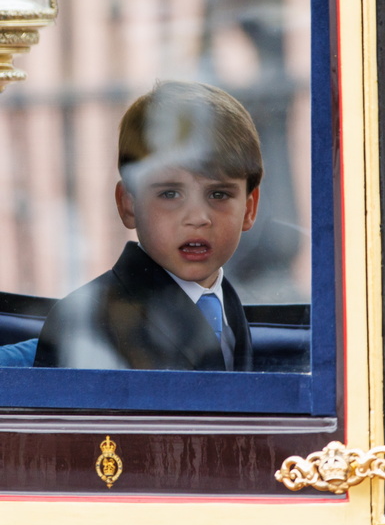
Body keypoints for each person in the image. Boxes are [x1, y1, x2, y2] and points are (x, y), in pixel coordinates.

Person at [34, 81, 262, 370]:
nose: (197, 217)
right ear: (129, 204)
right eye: (170, 194)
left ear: (249, 209)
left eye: (219, 195)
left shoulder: (228, 305)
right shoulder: (88, 317)